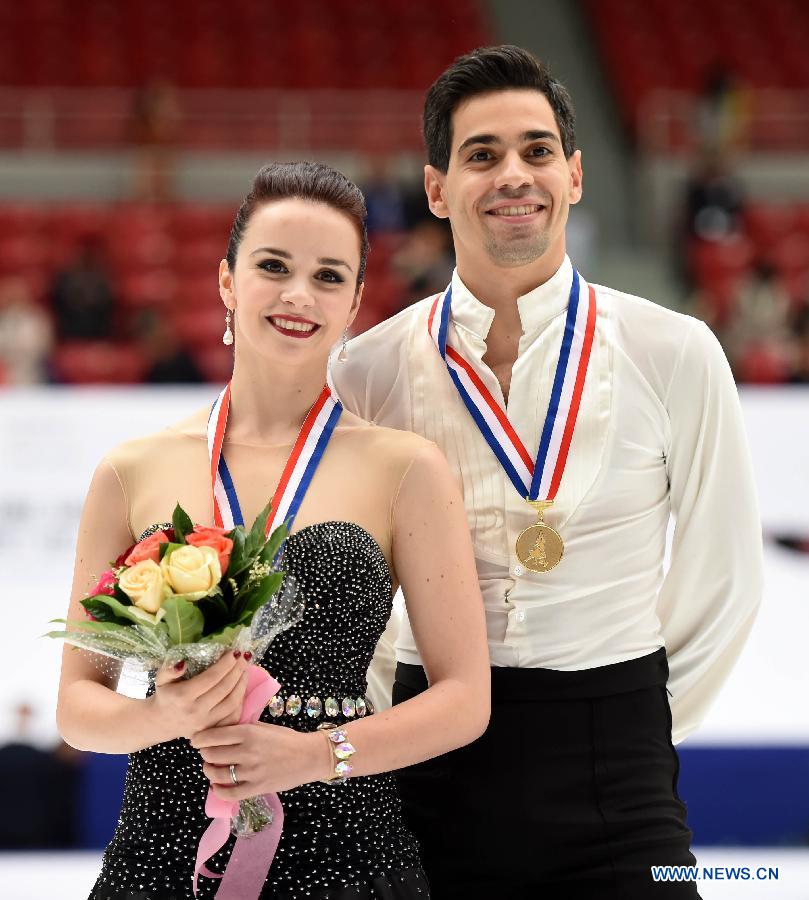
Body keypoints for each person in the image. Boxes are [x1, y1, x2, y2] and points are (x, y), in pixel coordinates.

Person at [332, 46, 763, 899]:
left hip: (617, 778)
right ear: (435, 188)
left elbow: (725, 579)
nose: (512, 176)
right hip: (425, 772)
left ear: (572, 175)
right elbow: (354, 592)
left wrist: (637, 721)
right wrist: (394, 724)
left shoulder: (672, 352)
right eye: (480, 155)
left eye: (535, 151)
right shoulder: (367, 371)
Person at [56, 161, 490, 899]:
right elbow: (78, 707)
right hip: (163, 854)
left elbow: (463, 699)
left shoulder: (406, 469)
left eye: (327, 277)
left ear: (355, 300)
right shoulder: (131, 470)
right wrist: (167, 712)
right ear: (228, 281)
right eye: (273, 266)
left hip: (349, 856)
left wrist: (317, 756)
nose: (297, 294)